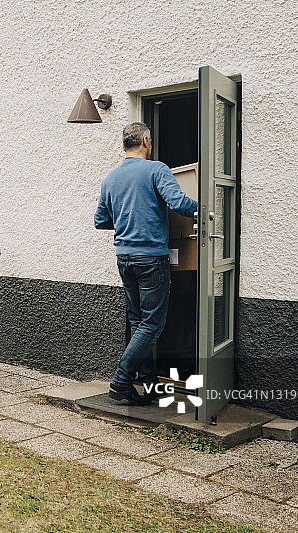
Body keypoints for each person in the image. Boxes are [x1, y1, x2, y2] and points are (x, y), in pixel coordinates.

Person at [94, 122, 198, 406]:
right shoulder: (156, 169)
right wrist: (205, 206)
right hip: (151, 258)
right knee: (152, 324)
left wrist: (129, 218)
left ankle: (150, 384)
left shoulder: (111, 178)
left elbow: (100, 221)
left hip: (124, 257)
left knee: (138, 321)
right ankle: (121, 381)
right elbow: (177, 203)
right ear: (145, 142)